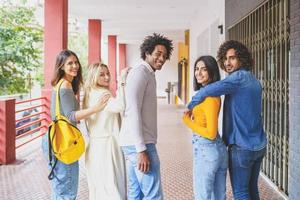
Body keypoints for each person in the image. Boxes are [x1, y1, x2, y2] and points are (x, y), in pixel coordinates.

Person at [187, 40, 267, 200]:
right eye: (225, 59)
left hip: (242, 147)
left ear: (242, 59)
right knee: (252, 189)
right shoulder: (253, 80)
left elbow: (210, 89)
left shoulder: (237, 78)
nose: (227, 62)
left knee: (241, 193)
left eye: (232, 58)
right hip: (259, 145)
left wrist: (190, 105)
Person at [42, 49, 109, 200]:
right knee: (67, 191)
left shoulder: (60, 84)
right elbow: (70, 116)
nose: (75, 66)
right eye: (69, 63)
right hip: (62, 142)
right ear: (61, 66)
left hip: (54, 140)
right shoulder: (65, 85)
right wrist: (96, 108)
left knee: (60, 189)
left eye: (76, 62)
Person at [119, 33, 173, 200]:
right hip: (140, 145)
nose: (162, 58)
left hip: (134, 143)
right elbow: (132, 111)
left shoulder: (148, 73)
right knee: (153, 195)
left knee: (136, 194)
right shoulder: (140, 73)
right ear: (147, 53)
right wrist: (141, 149)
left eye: (164, 55)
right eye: (158, 54)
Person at [83, 62, 130, 200]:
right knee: (113, 187)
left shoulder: (89, 93)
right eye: (102, 75)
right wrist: (122, 80)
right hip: (107, 146)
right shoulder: (102, 93)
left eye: (107, 73)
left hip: (94, 146)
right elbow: (121, 105)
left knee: (99, 189)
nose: (107, 77)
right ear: (93, 77)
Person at [183, 56, 228, 200]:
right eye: (196, 69)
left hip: (206, 151)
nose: (199, 73)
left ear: (212, 71)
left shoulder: (209, 98)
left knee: (203, 196)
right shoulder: (210, 95)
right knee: (218, 196)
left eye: (204, 69)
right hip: (218, 151)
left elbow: (210, 133)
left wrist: (187, 121)